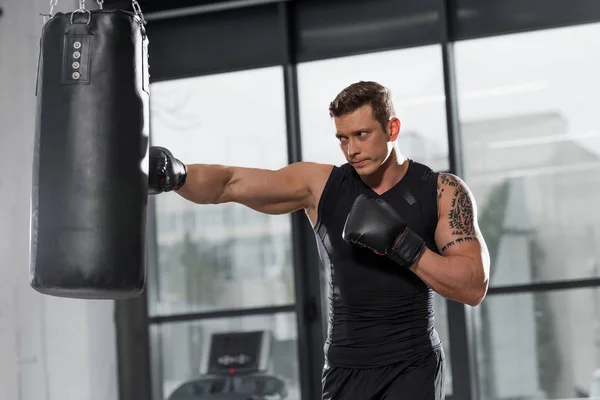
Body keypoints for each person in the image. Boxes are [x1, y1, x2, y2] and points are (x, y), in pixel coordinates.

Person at [149, 81, 490, 400]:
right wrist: (176, 174)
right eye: (342, 139)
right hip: (344, 367)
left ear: (392, 129)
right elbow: (230, 183)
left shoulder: (440, 190)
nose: (352, 150)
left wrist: (405, 245)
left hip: (412, 364)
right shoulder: (322, 186)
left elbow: (473, 287)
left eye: (361, 134)